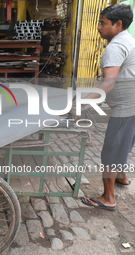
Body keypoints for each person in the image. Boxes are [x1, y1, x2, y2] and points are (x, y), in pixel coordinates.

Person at [81, 4, 135, 210]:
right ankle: (121, 177)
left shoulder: (115, 47)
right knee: (125, 143)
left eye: (103, 23)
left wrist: (81, 104)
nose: (98, 27)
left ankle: (108, 198)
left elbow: (108, 83)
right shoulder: (129, 40)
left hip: (125, 107)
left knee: (111, 151)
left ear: (118, 24)